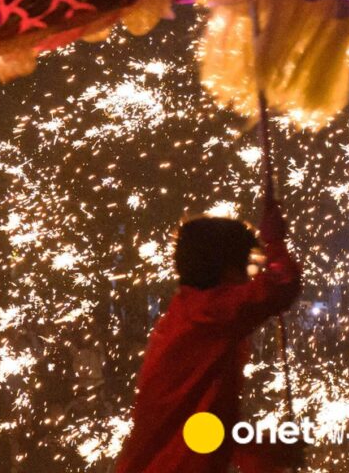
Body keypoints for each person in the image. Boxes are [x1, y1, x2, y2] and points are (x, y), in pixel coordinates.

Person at [114, 199, 302, 472]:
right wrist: (274, 242)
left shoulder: (189, 316)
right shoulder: (210, 313)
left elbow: (204, 426)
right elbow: (281, 286)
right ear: (228, 270)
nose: (250, 279)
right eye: (247, 268)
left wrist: (264, 451)